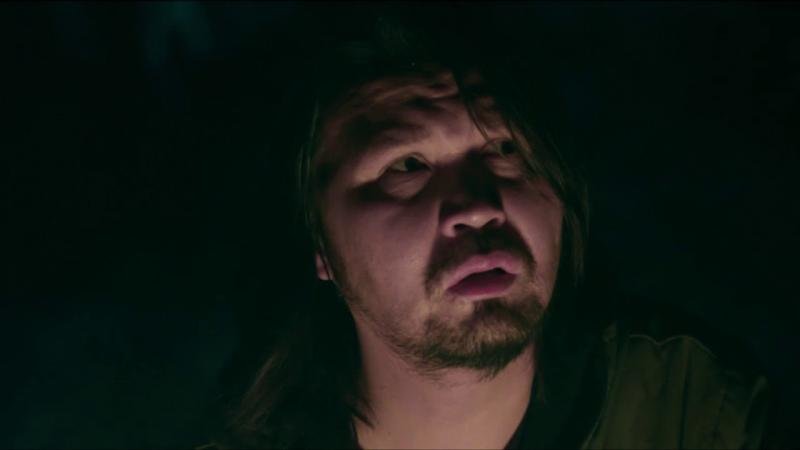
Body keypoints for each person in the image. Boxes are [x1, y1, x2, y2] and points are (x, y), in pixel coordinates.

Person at [203, 7, 777, 449]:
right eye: (407, 166)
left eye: (505, 151)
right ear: (320, 244)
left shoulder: (694, 411)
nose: (478, 207)